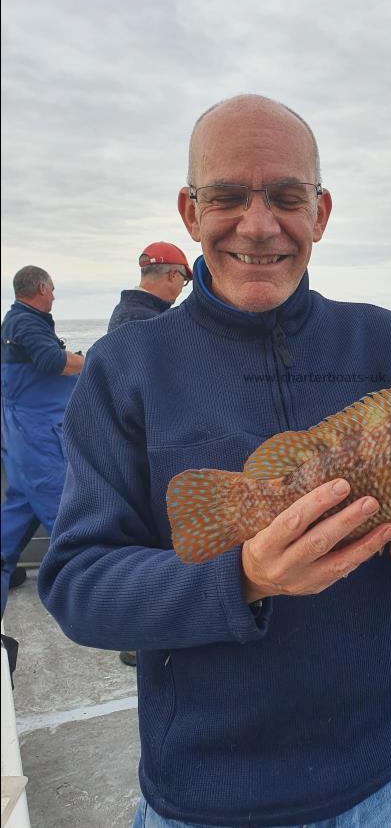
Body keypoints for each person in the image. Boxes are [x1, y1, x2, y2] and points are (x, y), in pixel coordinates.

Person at [39, 96, 391, 828]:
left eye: (285, 196)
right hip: (209, 798)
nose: (258, 223)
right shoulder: (124, 368)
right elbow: (80, 588)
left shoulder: (383, 344)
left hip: (381, 775)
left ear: (321, 212)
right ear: (189, 211)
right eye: (227, 196)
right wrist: (242, 577)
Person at [107, 241, 193, 668]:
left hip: (143, 451)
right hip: (153, 454)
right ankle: (138, 641)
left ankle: (138, 638)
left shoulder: (126, 318)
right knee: (153, 542)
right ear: (174, 276)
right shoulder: (147, 325)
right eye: (182, 281)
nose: (181, 291)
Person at [1, 266, 84, 617]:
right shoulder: (26, 322)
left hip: (22, 436)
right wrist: (88, 363)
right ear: (39, 287)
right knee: (66, 515)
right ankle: (90, 594)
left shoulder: (17, 322)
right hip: (37, 439)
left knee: (17, 512)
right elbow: (52, 362)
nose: (53, 295)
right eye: (51, 288)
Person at [107, 241, 193, 333]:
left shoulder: (123, 311)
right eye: (184, 280)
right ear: (173, 275)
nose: (182, 287)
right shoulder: (152, 321)